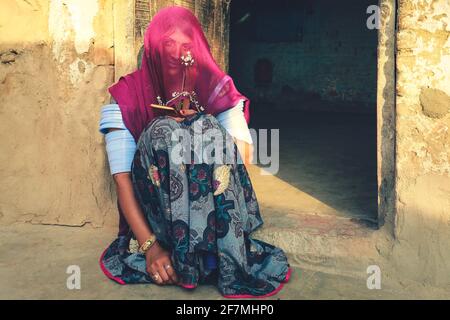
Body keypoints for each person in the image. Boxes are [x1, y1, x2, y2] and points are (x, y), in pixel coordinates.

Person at [98, 6, 291, 298]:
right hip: (159, 225)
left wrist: (195, 125)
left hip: (215, 222)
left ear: (198, 51)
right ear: (153, 50)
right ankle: (176, 251)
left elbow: (240, 159)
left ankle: (213, 252)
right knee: (164, 131)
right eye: (168, 45)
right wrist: (150, 248)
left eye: (186, 46)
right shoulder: (127, 94)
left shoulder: (215, 88)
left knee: (206, 128)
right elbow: (123, 179)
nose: (177, 55)